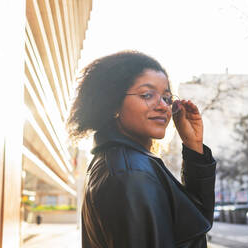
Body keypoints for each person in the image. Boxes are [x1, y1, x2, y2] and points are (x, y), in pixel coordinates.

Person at [67, 50, 216, 248]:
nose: (163, 106)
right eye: (147, 95)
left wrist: (194, 148)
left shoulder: (124, 162)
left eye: (167, 98)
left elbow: (196, 224)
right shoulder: (131, 172)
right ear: (113, 103)